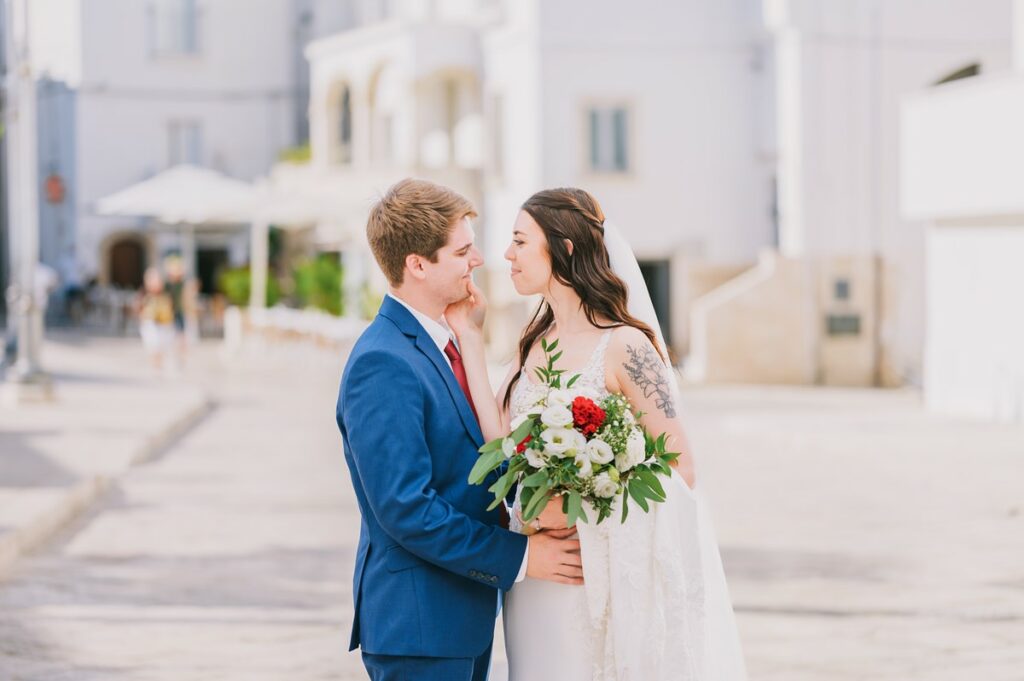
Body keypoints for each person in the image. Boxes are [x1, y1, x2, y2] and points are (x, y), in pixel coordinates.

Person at [446, 188, 748, 680]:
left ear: (564, 249)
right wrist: (471, 337)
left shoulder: (625, 346)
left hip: (593, 573)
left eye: (521, 241)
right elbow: (499, 438)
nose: (507, 255)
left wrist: (577, 508)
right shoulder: (533, 345)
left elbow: (681, 468)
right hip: (535, 577)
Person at [334, 178, 584, 681]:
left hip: (456, 620)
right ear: (418, 264)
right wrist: (521, 557)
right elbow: (407, 508)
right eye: (463, 251)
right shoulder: (383, 361)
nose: (477, 262)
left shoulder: (437, 345)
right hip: (418, 628)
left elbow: (474, 464)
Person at [136, 267, 175, 373]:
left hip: (164, 322)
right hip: (150, 323)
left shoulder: (166, 294)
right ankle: (155, 364)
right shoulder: (144, 294)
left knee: (162, 345)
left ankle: (159, 364)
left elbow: (171, 306)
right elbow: (140, 308)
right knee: (153, 344)